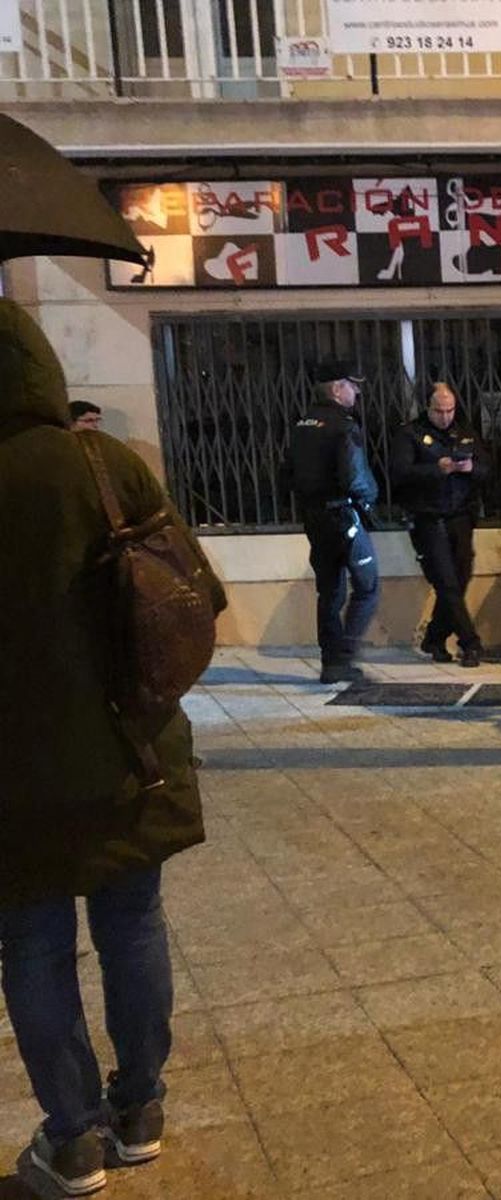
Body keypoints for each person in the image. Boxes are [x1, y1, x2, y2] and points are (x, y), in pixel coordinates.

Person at [0, 298, 226, 1197]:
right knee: (132, 923)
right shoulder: (105, 463)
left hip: (13, 771)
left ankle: (75, 1137)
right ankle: (141, 1110)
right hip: (131, 745)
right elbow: (192, 591)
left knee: (34, 946)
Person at [282, 359, 380, 685]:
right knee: (367, 586)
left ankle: (330, 662)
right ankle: (346, 655)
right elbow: (355, 475)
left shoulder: (301, 426)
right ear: (338, 389)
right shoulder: (344, 426)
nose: (357, 392)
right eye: (353, 386)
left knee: (330, 591)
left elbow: (286, 473)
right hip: (342, 515)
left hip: (314, 518)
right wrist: (370, 499)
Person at [389, 381, 488, 668]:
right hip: (427, 517)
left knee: (460, 578)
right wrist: (437, 470)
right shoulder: (410, 434)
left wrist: (471, 469)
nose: (445, 417)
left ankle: (434, 637)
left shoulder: (465, 432)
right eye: (439, 411)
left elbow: (488, 469)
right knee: (445, 581)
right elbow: (400, 473)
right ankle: (470, 643)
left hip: (461, 515)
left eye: (450, 410)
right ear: (427, 408)